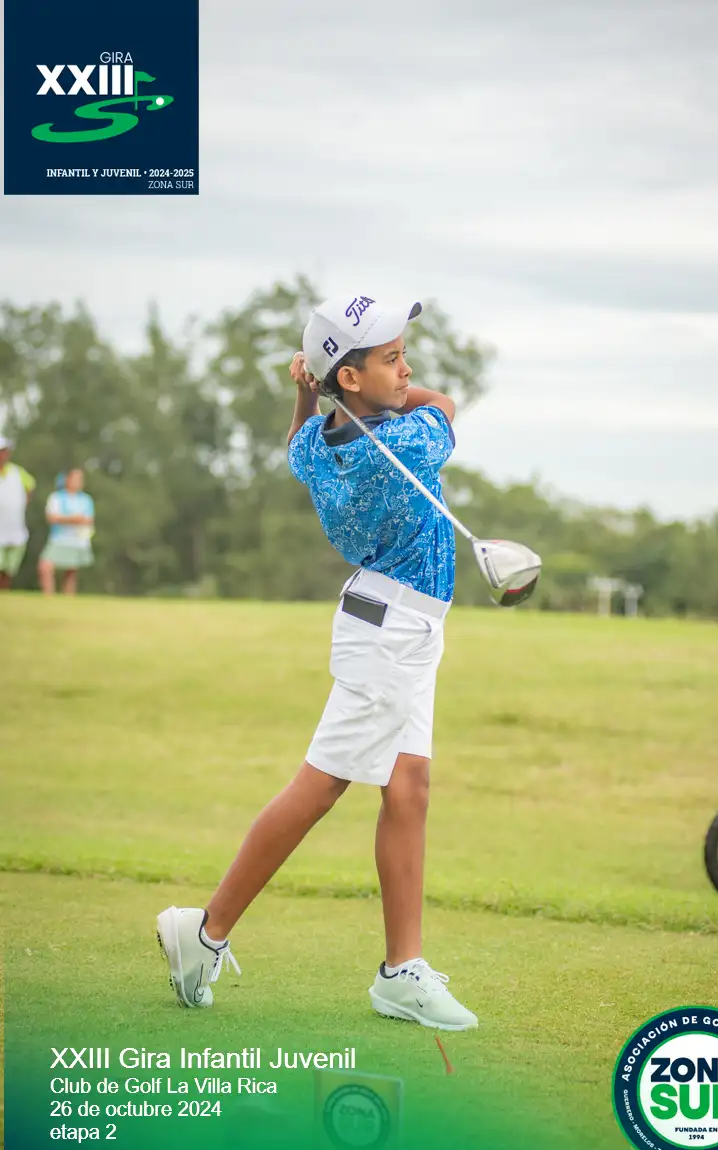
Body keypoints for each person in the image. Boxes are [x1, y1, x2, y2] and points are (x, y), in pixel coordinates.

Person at [157, 294, 478, 1031]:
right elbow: (446, 404)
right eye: (392, 358)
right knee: (322, 785)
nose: (409, 370)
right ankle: (205, 932)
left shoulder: (319, 446)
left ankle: (401, 972)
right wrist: (330, 384)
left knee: (408, 787)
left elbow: (301, 437)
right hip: (390, 632)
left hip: (397, 624)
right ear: (353, 379)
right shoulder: (404, 446)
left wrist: (315, 390)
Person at [39, 468, 95, 595]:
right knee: (45, 567)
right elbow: (52, 518)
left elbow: (88, 520)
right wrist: (73, 519)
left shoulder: (86, 500)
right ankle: (48, 596)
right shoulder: (56, 497)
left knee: (71, 571)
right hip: (59, 538)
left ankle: (68, 598)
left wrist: (68, 519)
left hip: (78, 540)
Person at [0, 436, 36, 590]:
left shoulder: (18, 472)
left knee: (9, 569)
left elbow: (30, 487)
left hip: (15, 527)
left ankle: (4, 595)